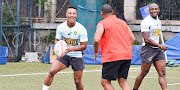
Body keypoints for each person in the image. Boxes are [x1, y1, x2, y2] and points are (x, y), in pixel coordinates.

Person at [42, 5, 88, 90]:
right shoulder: (61, 27)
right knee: (52, 71)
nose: (72, 15)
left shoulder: (81, 29)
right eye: (70, 13)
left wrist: (71, 49)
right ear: (66, 14)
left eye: (74, 13)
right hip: (64, 56)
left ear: (76, 15)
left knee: (77, 82)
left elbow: (84, 46)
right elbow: (57, 40)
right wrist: (59, 46)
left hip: (77, 56)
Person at [93, 4, 135, 90]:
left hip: (112, 56)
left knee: (105, 82)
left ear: (101, 13)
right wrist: (125, 48)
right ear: (112, 12)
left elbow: (96, 39)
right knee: (123, 81)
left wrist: (96, 51)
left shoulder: (102, 24)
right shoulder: (123, 22)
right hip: (126, 55)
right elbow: (132, 38)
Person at [133, 3, 168, 90]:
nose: (154, 11)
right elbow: (147, 39)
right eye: (152, 9)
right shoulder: (146, 22)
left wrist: (160, 45)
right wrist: (160, 46)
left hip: (158, 50)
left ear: (159, 10)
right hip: (148, 50)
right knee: (144, 72)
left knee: (162, 72)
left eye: (156, 9)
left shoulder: (158, 21)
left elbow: (157, 35)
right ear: (149, 11)